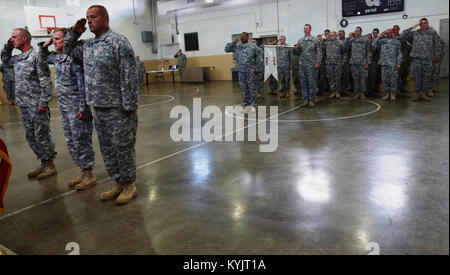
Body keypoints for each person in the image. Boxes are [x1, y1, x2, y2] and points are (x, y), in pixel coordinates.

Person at [64, 5, 139, 205]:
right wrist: (73, 33)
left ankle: (129, 185)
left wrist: (129, 104)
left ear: (105, 18)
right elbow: (68, 49)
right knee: (107, 149)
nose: (89, 21)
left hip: (119, 108)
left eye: (93, 17)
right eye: (87, 18)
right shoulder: (87, 46)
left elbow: (129, 75)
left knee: (122, 148)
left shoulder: (118, 42)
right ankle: (118, 182)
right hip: (98, 108)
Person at [39, 28, 96, 189]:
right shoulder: (57, 58)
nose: (54, 41)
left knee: (81, 141)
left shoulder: (75, 59)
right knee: (71, 142)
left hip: (77, 108)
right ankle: (82, 172)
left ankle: (89, 175)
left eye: (57, 38)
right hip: (64, 107)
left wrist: (83, 108)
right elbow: (42, 58)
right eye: (53, 39)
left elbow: (82, 84)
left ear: (67, 40)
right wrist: (45, 45)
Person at [1, 28, 57, 180]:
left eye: (14, 37)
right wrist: (7, 47)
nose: (11, 39)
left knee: (41, 135)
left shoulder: (36, 56)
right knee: (31, 136)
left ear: (25, 38)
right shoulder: (18, 59)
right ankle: (43, 162)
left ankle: (50, 165)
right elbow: (5, 60)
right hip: (24, 104)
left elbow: (45, 81)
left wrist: (42, 102)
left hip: (36, 105)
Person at [402, 18, 441, 101]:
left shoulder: (432, 33)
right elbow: (403, 35)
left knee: (426, 77)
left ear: (427, 24)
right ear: (419, 24)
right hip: (416, 59)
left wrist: (437, 56)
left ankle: (423, 94)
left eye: (425, 23)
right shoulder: (415, 33)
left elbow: (437, 44)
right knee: (417, 77)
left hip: (428, 58)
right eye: (421, 23)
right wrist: (412, 27)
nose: (423, 24)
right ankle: (417, 94)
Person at [225, 32, 260, 113]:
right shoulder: (237, 47)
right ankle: (247, 105)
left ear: (248, 37)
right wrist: (234, 42)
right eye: (241, 37)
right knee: (244, 89)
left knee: (252, 88)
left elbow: (258, 58)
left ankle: (253, 105)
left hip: (251, 71)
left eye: (244, 37)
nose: (242, 38)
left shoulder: (253, 46)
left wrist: (258, 69)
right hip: (241, 71)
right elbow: (226, 49)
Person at [293, 24, 322, 107]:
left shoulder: (315, 40)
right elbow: (298, 53)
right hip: (302, 64)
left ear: (310, 29)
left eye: (307, 28)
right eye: (304, 29)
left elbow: (319, 52)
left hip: (311, 65)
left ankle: (311, 100)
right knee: (304, 82)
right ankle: (305, 99)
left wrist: (317, 63)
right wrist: (295, 50)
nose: (305, 30)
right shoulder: (300, 41)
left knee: (311, 82)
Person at [376, 28, 403, 101]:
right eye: (387, 33)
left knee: (393, 79)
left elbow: (399, 54)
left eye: (390, 32)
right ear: (385, 33)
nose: (389, 34)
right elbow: (373, 44)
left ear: (393, 33)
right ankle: (387, 94)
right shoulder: (382, 41)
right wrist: (380, 36)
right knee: (385, 80)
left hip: (393, 64)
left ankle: (393, 94)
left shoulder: (397, 42)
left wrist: (398, 64)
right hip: (384, 64)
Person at [347, 27, 371, 100]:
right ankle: (357, 93)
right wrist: (348, 37)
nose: (356, 32)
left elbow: (369, 52)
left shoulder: (366, 40)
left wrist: (367, 62)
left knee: (363, 79)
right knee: (355, 79)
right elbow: (345, 47)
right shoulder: (352, 40)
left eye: (358, 31)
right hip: (354, 63)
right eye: (355, 31)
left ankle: (362, 93)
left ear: (361, 31)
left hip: (363, 63)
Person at [324, 31, 346, 99]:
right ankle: (333, 92)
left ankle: (338, 92)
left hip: (337, 63)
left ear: (336, 36)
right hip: (329, 63)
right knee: (331, 78)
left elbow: (344, 53)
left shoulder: (340, 43)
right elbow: (322, 51)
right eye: (331, 35)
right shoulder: (327, 43)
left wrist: (343, 61)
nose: (332, 36)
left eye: (333, 35)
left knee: (338, 78)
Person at [393, 25, 412, 96]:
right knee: (397, 76)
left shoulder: (402, 38)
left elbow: (408, 48)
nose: (395, 31)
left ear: (398, 29)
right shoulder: (392, 39)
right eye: (393, 29)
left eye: (396, 29)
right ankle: (397, 89)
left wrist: (407, 59)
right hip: (396, 61)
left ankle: (402, 87)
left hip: (404, 61)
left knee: (404, 75)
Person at [338, 29, 352, 95]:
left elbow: (346, 48)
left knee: (345, 76)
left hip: (346, 62)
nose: (340, 35)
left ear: (344, 34)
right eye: (339, 34)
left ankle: (344, 90)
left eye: (341, 33)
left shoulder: (348, 40)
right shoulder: (336, 41)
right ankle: (339, 90)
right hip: (338, 62)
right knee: (339, 77)